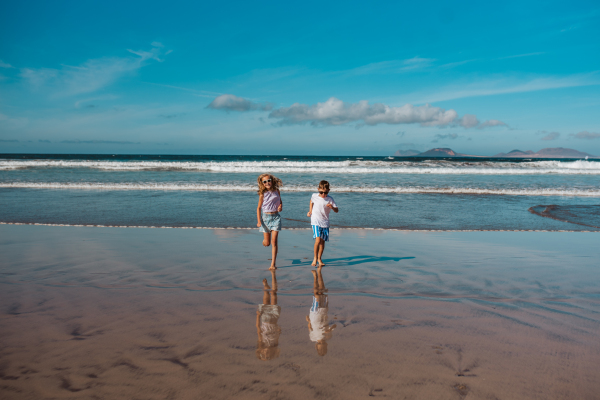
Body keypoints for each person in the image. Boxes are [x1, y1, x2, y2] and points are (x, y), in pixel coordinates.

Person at [306, 180, 338, 267]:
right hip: (315, 220)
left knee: (322, 242)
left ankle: (319, 258)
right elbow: (311, 201)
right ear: (318, 189)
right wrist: (310, 210)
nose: (323, 194)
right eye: (321, 192)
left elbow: (337, 210)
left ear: (329, 190)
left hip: (325, 222)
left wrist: (332, 207)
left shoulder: (330, 199)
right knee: (318, 240)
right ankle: (315, 258)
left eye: (325, 192)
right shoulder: (314, 196)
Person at [305, 267, 336, 356]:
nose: (321, 342)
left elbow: (310, 328)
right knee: (322, 292)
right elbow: (333, 327)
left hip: (315, 314)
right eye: (323, 344)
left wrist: (308, 321)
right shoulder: (328, 337)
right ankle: (319, 274)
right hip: (324, 312)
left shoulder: (312, 338)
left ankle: (315, 277)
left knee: (316, 295)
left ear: (316, 346)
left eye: (320, 344)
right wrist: (330, 329)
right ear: (326, 344)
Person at [256, 174, 283, 270]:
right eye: (265, 182)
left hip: (276, 217)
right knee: (267, 243)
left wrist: (280, 207)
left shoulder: (277, 191)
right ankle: (264, 241)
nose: (267, 183)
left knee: (274, 242)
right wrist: (259, 221)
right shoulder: (262, 194)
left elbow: (280, 202)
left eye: (269, 180)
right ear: (262, 183)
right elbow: (259, 208)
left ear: (272, 181)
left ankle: (273, 264)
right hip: (265, 218)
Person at [256, 269, 281, 361]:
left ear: (261, 350)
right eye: (267, 356)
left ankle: (265, 286)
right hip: (274, 318)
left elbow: (258, 328)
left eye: (263, 354)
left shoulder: (261, 341)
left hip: (265, 319)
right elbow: (277, 335)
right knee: (273, 293)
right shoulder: (275, 345)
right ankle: (273, 276)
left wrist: (258, 316)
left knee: (266, 297)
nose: (266, 353)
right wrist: (279, 331)